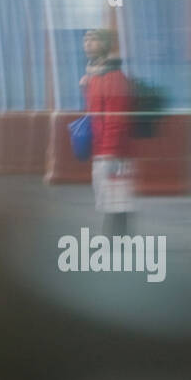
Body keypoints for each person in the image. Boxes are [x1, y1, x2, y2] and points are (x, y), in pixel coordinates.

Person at [80, 28, 133, 234]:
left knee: (116, 197)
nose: (88, 44)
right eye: (86, 40)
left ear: (105, 45)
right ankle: (113, 238)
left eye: (93, 40)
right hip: (101, 146)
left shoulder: (114, 77)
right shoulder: (94, 76)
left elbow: (116, 117)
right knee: (107, 195)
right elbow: (95, 111)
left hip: (113, 149)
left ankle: (114, 239)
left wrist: (110, 150)